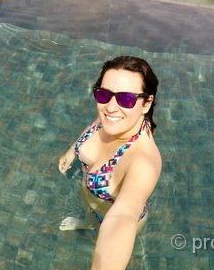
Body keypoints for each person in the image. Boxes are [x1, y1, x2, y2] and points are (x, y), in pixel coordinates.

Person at [58, 56, 162, 270]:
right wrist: (72, 150)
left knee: (102, 232)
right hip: (91, 199)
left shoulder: (143, 162)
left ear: (147, 103)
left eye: (126, 99)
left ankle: (91, 226)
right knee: (90, 217)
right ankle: (87, 223)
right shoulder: (114, 117)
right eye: (103, 94)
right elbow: (97, 122)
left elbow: (122, 217)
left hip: (109, 213)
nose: (110, 107)